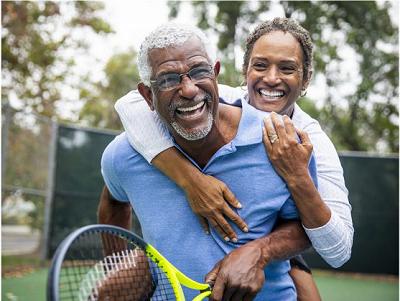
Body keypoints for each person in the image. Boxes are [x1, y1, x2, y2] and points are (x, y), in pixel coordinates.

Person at [114, 18, 354, 300]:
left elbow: (337, 250)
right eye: (261, 65)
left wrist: (295, 176)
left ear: (306, 79)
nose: (272, 78)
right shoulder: (214, 96)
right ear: (245, 70)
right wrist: (192, 182)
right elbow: (129, 104)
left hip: (284, 239)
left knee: (304, 288)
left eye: (287, 68)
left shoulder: (311, 141)